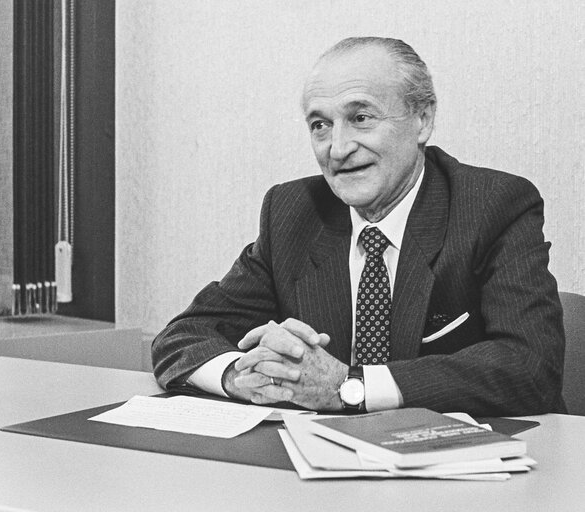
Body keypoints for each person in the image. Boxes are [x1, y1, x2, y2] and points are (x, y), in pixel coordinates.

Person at [151, 36, 565, 417]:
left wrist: (349, 387)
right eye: (320, 125)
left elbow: (530, 366)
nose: (339, 148)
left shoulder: (493, 205)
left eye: (361, 117)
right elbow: (183, 336)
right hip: (324, 470)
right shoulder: (293, 212)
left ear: (422, 119)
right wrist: (243, 377)